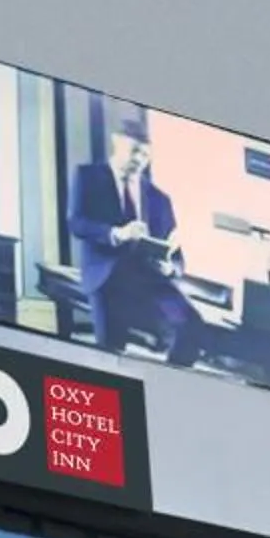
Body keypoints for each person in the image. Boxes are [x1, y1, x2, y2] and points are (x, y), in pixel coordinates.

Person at [66, 119, 204, 367]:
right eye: (135, 151)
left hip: (151, 280)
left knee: (191, 324)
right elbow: (76, 223)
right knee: (110, 352)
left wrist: (171, 267)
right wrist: (117, 233)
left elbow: (176, 254)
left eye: (145, 154)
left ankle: (171, 378)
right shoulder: (88, 176)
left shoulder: (160, 199)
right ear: (117, 142)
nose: (140, 159)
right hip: (108, 278)